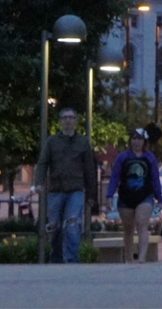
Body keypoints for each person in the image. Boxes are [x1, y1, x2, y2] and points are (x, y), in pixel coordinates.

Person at [33, 108, 98, 263]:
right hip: (55, 190)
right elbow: (43, 163)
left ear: (76, 121)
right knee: (54, 226)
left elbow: (90, 170)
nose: (68, 121)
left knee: (73, 225)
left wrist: (91, 195)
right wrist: (39, 183)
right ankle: (56, 257)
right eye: (65, 118)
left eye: (71, 117)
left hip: (76, 191)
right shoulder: (52, 142)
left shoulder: (83, 143)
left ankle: (71, 260)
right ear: (60, 121)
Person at [110, 128, 162, 264]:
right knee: (128, 228)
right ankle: (128, 257)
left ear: (144, 141)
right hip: (126, 197)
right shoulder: (123, 157)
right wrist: (109, 195)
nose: (136, 141)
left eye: (139, 139)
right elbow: (115, 177)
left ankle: (142, 257)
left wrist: (159, 198)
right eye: (134, 138)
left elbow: (155, 179)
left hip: (145, 196)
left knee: (141, 223)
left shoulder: (150, 158)